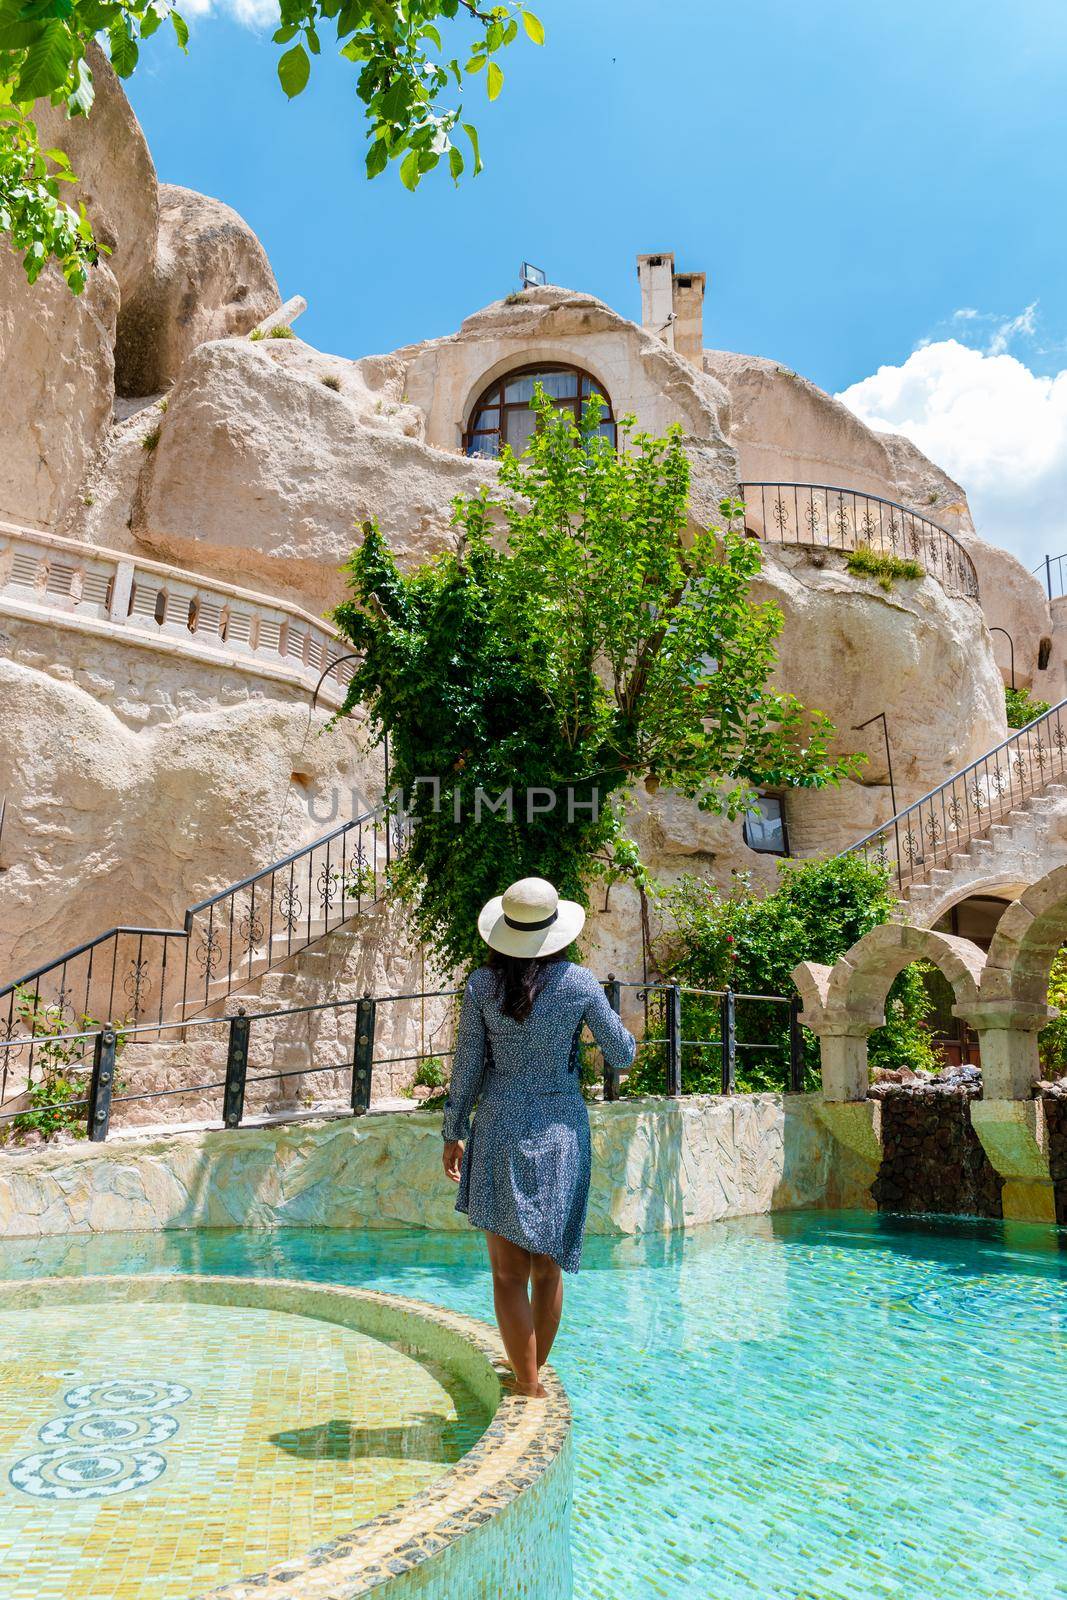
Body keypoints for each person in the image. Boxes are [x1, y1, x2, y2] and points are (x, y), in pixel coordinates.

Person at [442, 876, 636, 1398]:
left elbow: (468, 1068)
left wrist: (453, 1130)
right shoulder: (579, 983)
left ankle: (526, 1382)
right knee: (548, 1267)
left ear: (503, 931)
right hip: (560, 1132)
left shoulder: (481, 986)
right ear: (558, 931)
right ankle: (531, 1380)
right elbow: (622, 1054)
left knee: (508, 1274)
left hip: (500, 1125)